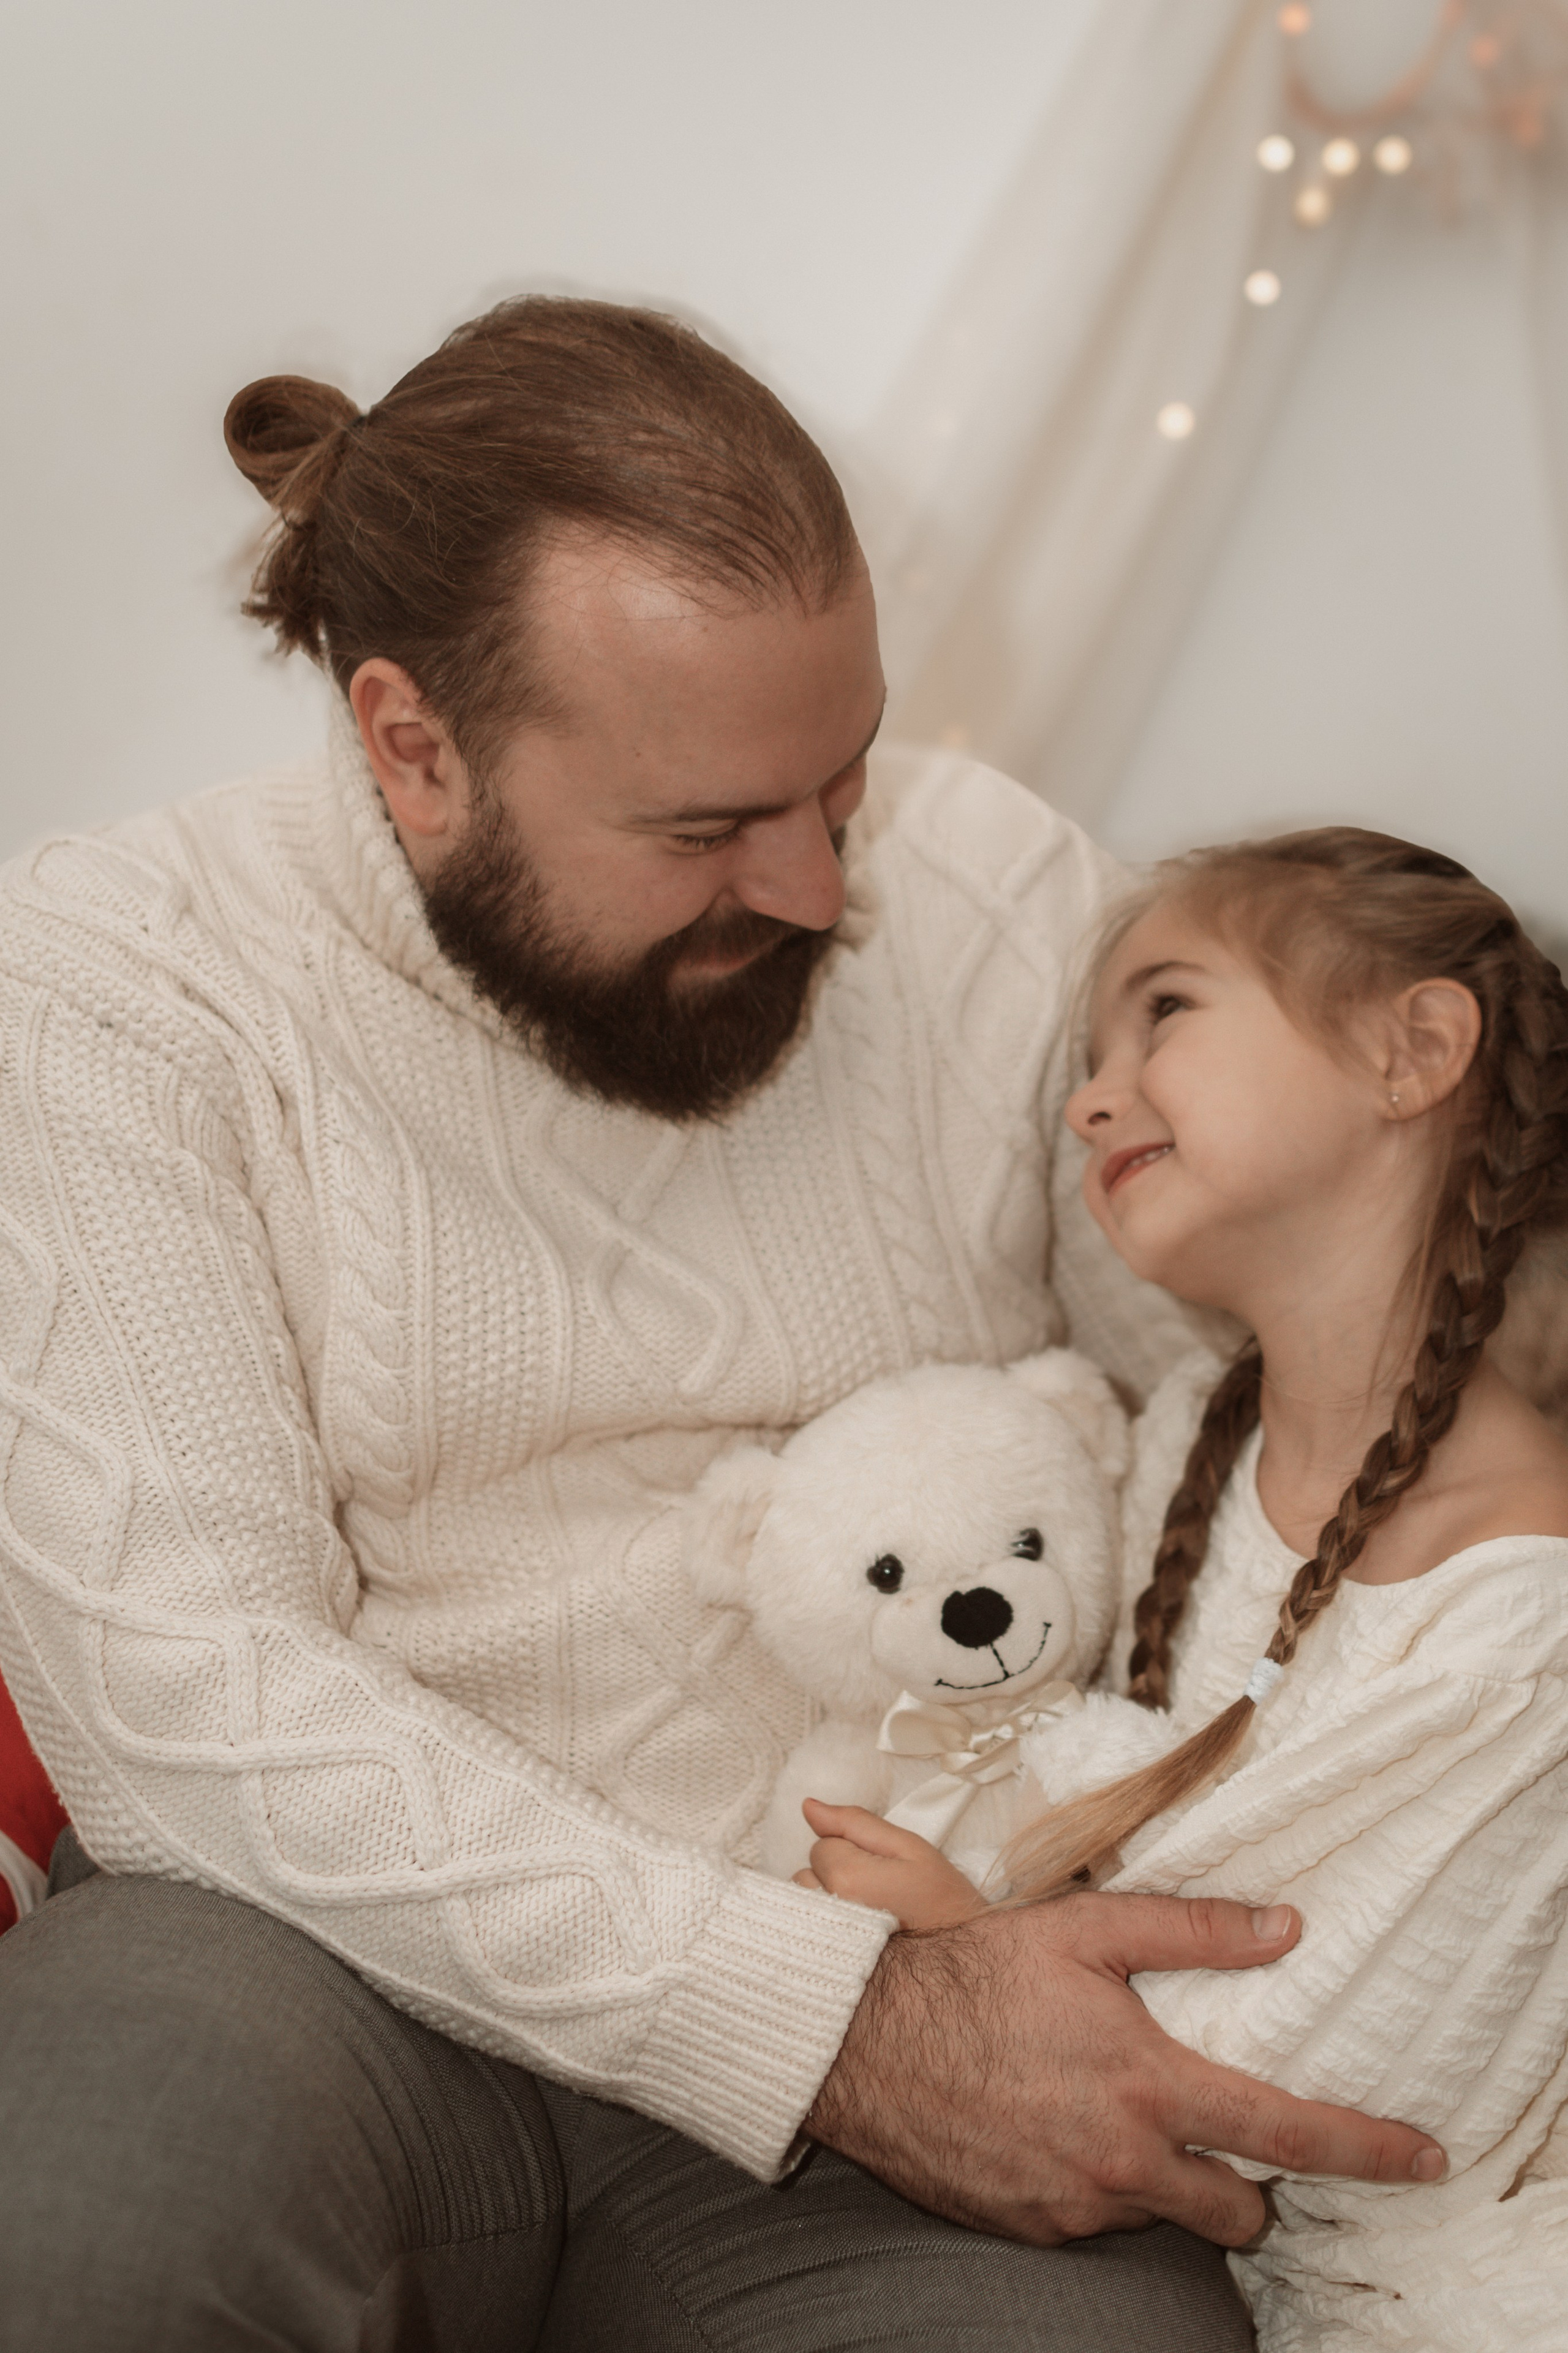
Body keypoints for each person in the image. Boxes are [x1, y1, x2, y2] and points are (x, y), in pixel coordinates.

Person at [0, 299, 1439, 2352]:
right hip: (319, 1971)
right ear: (415, 747)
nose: (818, 880)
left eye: (839, 781)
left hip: (926, 1916)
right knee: (65, 2233)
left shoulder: (987, 884)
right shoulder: (114, 982)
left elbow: (1254, 1402)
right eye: (705, 831)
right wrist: (831, 2028)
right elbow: (180, 1693)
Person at [802, 829, 1568, 2348]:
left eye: (1164, 1009)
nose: (1092, 1095)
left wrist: (962, 1942)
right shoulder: (1177, 1461)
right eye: (1089, 1056)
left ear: (1408, 1051)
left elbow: (1335, 2085)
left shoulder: (1522, 1606)